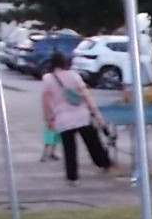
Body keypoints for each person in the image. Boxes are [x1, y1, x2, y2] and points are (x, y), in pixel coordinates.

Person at [40, 51, 115, 182]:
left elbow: (46, 101)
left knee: (69, 149)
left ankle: (72, 176)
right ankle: (105, 164)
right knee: (93, 143)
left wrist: (48, 118)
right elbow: (86, 96)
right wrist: (97, 115)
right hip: (81, 116)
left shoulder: (48, 79)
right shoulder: (74, 76)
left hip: (62, 118)